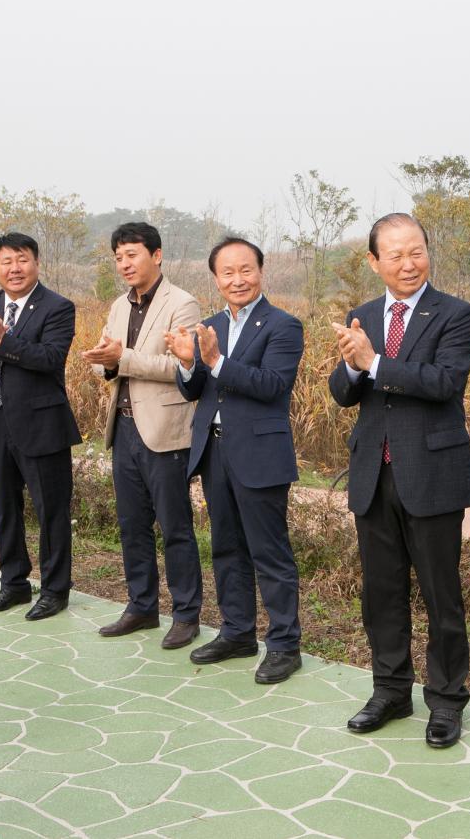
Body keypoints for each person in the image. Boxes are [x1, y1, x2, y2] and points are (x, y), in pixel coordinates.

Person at [328, 213, 470, 749]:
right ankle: (390, 690)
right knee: (382, 593)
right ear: (374, 262)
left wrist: (373, 363)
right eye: (394, 254)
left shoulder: (456, 314)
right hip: (374, 472)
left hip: (432, 474)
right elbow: (344, 392)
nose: (407, 263)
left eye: (416, 251)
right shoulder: (363, 315)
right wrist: (351, 366)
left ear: (428, 253)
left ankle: (446, 700)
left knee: (442, 595)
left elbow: (444, 382)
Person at [167, 237, 304, 684]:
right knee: (226, 547)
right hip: (215, 451)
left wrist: (215, 361)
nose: (237, 279)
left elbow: (272, 385)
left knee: (269, 552)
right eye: (228, 272)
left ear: (261, 271)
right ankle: (238, 632)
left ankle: (284, 644)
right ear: (216, 278)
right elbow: (195, 391)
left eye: (246, 270)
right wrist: (189, 365)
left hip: (261, 453)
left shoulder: (283, 325)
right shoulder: (208, 326)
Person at [81, 222, 203, 648]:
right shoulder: (118, 306)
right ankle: (141, 606)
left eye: (132, 254)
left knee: (175, 528)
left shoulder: (183, 304)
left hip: (165, 432)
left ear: (157, 255)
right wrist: (106, 363)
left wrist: (124, 359)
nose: (124, 264)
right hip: (125, 427)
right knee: (132, 525)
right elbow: (106, 362)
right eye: (118, 257)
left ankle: (186, 614)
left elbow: (182, 369)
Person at [0, 233, 81, 621]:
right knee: (5, 509)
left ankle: (55, 590)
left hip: (42, 426)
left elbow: (50, 358)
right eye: (6, 261)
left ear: (36, 263)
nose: (15, 268)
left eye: (22, 259)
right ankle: (13, 583)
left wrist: (2, 339)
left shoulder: (57, 307)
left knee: (51, 512)